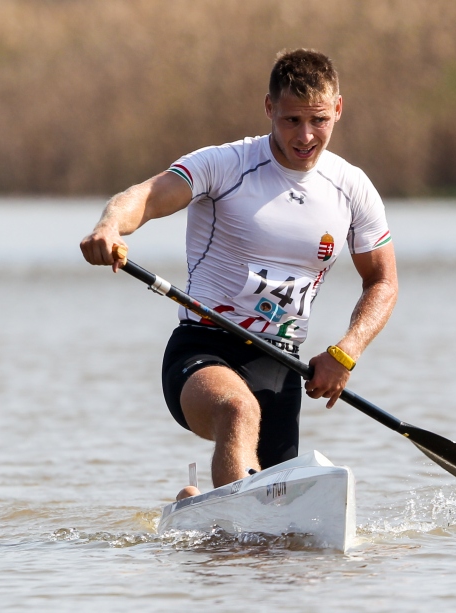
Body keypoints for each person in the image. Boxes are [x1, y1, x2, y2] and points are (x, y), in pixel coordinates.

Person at [80, 49, 398, 500]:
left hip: (281, 364)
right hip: (204, 347)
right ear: (269, 108)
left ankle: (201, 509)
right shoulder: (226, 165)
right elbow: (149, 196)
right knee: (238, 410)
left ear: (338, 109)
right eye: (291, 120)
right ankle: (233, 513)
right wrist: (111, 225)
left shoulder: (353, 188)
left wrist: (346, 353)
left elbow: (383, 282)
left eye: (319, 120)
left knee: (278, 516)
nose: (305, 136)